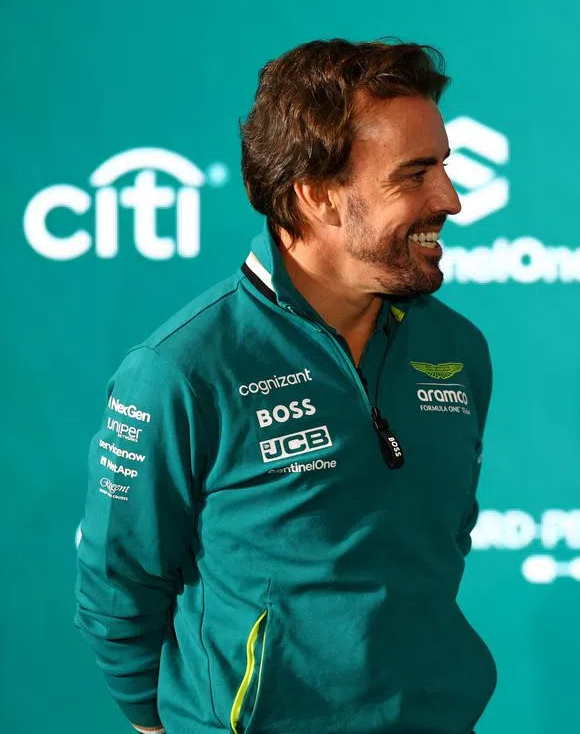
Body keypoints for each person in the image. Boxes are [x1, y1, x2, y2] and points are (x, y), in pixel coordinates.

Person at [74, 38, 496, 734]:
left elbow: (443, 539)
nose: (449, 198)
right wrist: (159, 724)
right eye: (415, 174)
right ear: (317, 194)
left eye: (444, 167)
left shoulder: (456, 348)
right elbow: (119, 581)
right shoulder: (182, 368)